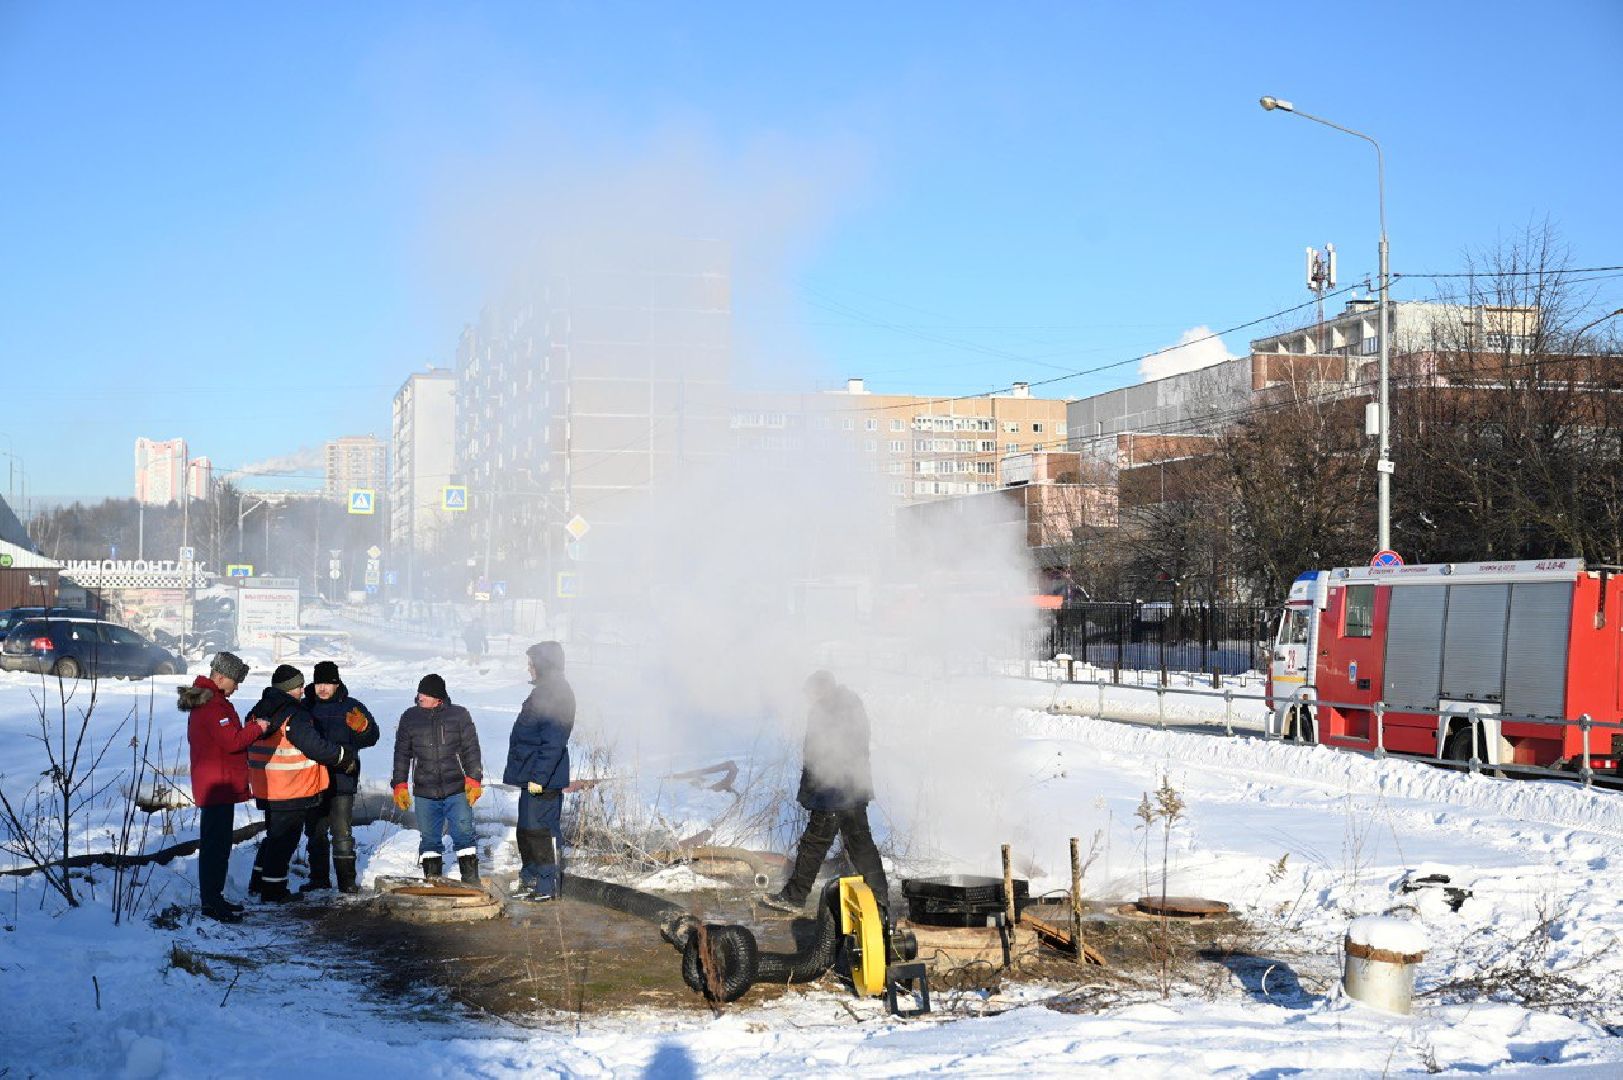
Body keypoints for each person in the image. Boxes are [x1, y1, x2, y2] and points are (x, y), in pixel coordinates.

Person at [762, 671, 889, 913]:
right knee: (862, 846)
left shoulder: (826, 709)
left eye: (811, 693)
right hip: (854, 790)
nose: (809, 699)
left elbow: (819, 754)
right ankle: (879, 899)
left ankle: (794, 898)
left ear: (821, 689)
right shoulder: (852, 705)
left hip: (832, 793)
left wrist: (814, 791)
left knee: (813, 846)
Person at [244, 665, 358, 903]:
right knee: (284, 841)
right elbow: (314, 746)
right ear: (289, 689)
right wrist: (342, 756)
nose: (301, 691)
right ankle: (274, 891)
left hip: (266, 786)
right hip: (291, 787)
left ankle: (258, 883)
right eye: (298, 686)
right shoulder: (293, 714)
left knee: (273, 837)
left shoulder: (258, 710)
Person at [181, 651, 264, 923]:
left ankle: (215, 898)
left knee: (218, 846)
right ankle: (211, 903)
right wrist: (257, 728)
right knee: (215, 847)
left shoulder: (212, 701)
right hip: (217, 786)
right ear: (221, 677)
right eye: (235, 681)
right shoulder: (212, 705)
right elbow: (232, 742)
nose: (237, 687)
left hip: (218, 784)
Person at [391, 673, 484, 881]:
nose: (419, 697)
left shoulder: (459, 715)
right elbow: (401, 753)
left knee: (464, 836)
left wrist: (474, 778)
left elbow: (471, 749)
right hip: (425, 790)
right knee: (429, 840)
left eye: (424, 694)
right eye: (419, 693)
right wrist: (399, 783)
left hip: (457, 789)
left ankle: (471, 883)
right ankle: (433, 883)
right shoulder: (410, 717)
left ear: (438, 697)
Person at [503, 641, 575, 901]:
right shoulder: (544, 692)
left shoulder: (558, 694)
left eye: (533, 662)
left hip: (543, 779)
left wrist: (539, 777)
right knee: (526, 829)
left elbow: (554, 742)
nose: (529, 667)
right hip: (530, 777)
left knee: (542, 831)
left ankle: (547, 884)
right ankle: (530, 878)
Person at [299, 660, 379, 894]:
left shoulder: (352, 707)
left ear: (337, 684)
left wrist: (364, 728)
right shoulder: (304, 708)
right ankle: (319, 879)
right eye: (318, 683)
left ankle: (347, 881)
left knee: (342, 832)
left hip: (343, 780)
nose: (322, 688)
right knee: (314, 832)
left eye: (328, 683)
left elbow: (372, 737)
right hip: (311, 780)